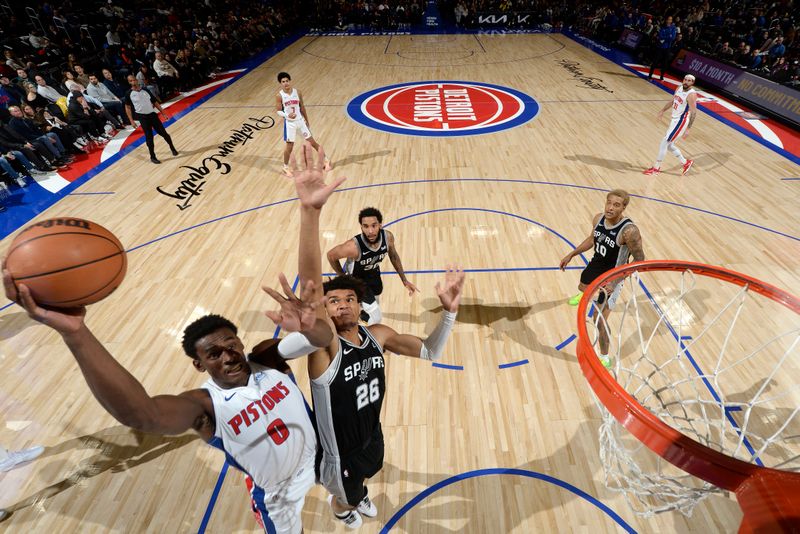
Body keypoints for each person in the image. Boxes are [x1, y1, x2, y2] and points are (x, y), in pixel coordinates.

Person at [2, 148, 346, 534]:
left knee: (346, 491)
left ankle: (346, 508)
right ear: (199, 365)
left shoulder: (267, 359)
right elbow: (142, 415)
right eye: (213, 354)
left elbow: (320, 335)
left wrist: (310, 214)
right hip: (278, 495)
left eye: (231, 344)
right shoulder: (205, 405)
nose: (228, 355)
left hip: (321, 459)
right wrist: (77, 333)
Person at [286, 149, 463, 528]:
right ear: (325, 311)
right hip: (340, 454)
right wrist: (310, 214)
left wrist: (449, 312)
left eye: (350, 298)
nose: (343, 305)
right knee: (342, 498)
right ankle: (344, 512)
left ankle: (360, 495)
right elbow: (313, 283)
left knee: (367, 478)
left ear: (359, 303)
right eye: (333, 302)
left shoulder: (377, 334)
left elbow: (431, 351)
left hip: (372, 435)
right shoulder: (326, 348)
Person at [559, 189, 645, 367]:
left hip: (612, 275)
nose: (611, 208)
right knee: (582, 285)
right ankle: (586, 294)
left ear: (623, 208)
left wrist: (614, 283)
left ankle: (605, 356)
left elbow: (639, 261)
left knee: (598, 320)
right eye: (609, 203)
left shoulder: (629, 231)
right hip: (596, 264)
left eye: (616, 205)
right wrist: (572, 254)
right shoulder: (598, 218)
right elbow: (592, 239)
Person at [327, 207, 419, 325]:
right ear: (361, 227)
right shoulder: (353, 247)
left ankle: (361, 311)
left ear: (380, 225)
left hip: (373, 272)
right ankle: (362, 331)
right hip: (357, 280)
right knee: (377, 318)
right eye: (365, 226)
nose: (370, 231)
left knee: (377, 295)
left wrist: (404, 280)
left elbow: (394, 256)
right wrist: (342, 276)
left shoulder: (388, 237)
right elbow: (331, 255)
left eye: (374, 225)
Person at [275, 72, 329, 177]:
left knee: (313, 142)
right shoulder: (279, 95)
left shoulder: (297, 92)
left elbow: (302, 107)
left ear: (290, 81)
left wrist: (307, 120)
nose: (285, 83)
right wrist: (287, 115)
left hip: (300, 122)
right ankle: (285, 167)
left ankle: (326, 160)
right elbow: (278, 111)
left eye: (287, 81)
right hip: (290, 124)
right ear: (280, 83)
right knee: (289, 147)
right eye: (283, 82)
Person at [643, 74, 697, 176]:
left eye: (689, 81)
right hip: (674, 120)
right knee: (669, 145)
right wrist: (663, 110)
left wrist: (688, 129)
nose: (686, 82)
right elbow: (673, 101)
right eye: (685, 79)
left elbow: (694, 113)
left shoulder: (691, 95)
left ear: (692, 83)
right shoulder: (679, 87)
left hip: (681, 121)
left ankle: (656, 168)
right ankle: (685, 162)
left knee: (664, 142)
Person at [124, 74, 178, 164]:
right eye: (130, 81)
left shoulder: (145, 90)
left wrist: (163, 113)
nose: (133, 82)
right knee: (149, 138)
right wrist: (131, 120)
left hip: (152, 115)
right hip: (143, 117)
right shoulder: (128, 94)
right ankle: (153, 157)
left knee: (164, 133)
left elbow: (155, 102)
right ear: (129, 83)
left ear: (136, 80)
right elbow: (127, 107)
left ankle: (172, 148)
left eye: (134, 80)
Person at [648, 16, 677, 81]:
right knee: (655, 62)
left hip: (667, 48)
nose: (669, 20)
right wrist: (668, 37)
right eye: (668, 19)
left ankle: (661, 76)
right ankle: (650, 76)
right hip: (660, 47)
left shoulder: (673, 28)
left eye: (671, 19)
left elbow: (672, 38)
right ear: (666, 20)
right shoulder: (662, 27)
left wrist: (665, 38)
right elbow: (660, 36)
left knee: (665, 63)